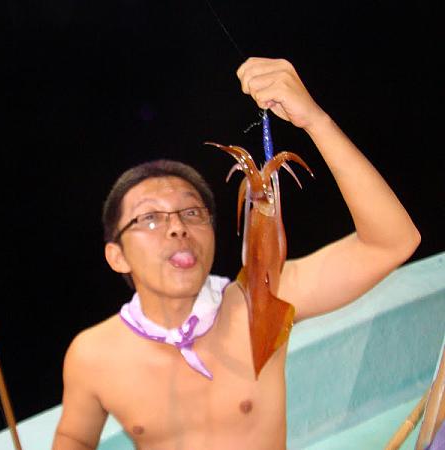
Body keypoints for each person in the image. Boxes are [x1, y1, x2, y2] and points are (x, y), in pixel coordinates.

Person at [52, 57, 420, 449]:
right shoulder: (92, 355)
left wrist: (315, 120)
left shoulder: (264, 301)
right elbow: (75, 437)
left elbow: (392, 242)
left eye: (192, 213)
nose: (177, 227)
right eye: (151, 218)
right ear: (117, 256)